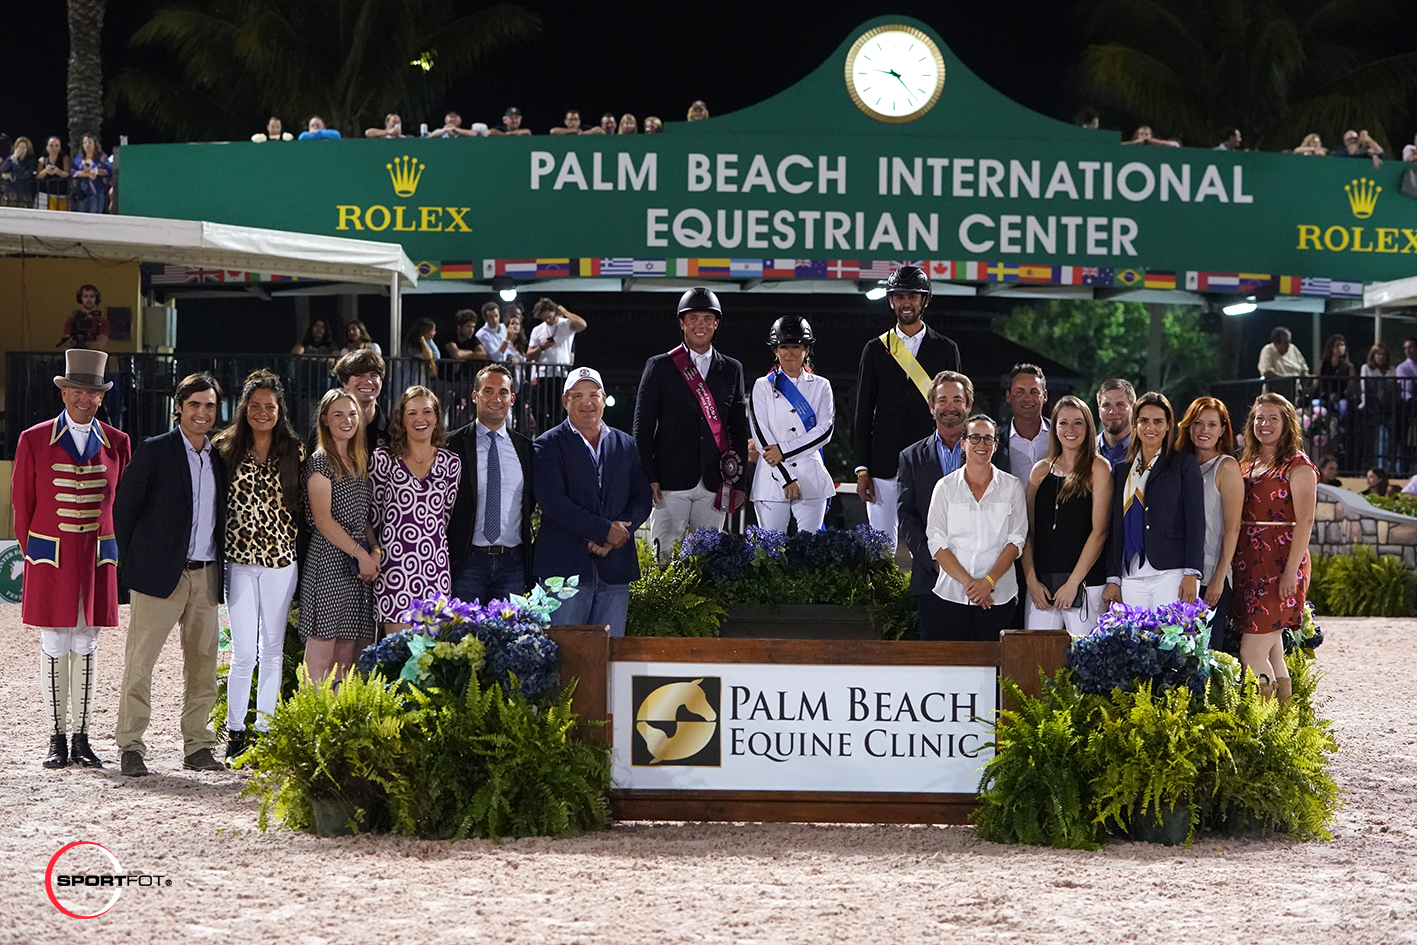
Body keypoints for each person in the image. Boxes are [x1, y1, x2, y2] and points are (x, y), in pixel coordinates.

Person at [12, 349, 131, 768]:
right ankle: (55, 738)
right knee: (55, 642)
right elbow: (22, 507)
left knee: (87, 641)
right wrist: (37, 555)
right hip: (52, 558)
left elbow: (124, 507)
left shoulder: (118, 443)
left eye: (93, 392)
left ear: (101, 398)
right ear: (65, 392)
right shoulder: (33, 438)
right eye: (77, 389)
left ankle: (81, 738)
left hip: (96, 558)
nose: (85, 398)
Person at [113, 373, 229, 777]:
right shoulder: (154, 451)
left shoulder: (220, 456)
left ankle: (198, 744)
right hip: (159, 577)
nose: (202, 412)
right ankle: (130, 745)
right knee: (139, 664)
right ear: (178, 407)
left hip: (207, 575)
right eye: (194, 404)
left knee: (203, 665)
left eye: (209, 405)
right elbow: (123, 512)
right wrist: (136, 565)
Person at [211, 370, 303, 761]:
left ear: (280, 410)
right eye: (255, 406)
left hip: (282, 562)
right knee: (243, 651)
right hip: (239, 563)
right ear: (243, 409)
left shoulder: (294, 451)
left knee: (273, 649)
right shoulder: (224, 447)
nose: (262, 412)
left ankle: (265, 731)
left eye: (270, 406)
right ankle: (236, 732)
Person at [633, 287, 749, 563]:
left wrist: (740, 482)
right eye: (694, 318)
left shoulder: (732, 368)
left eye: (707, 319)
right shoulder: (659, 366)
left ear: (716, 324)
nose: (701, 325)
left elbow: (738, 428)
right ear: (682, 323)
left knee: (707, 561)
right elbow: (642, 427)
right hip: (669, 481)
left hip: (715, 480)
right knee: (663, 558)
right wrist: (647, 475)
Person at [534, 368, 653, 635]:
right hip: (563, 571)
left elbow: (642, 497)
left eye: (593, 395)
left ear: (603, 398)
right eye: (577, 396)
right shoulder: (547, 445)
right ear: (565, 401)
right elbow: (553, 502)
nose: (587, 402)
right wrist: (604, 531)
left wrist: (620, 533)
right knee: (564, 659)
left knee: (609, 659)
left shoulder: (627, 445)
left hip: (615, 570)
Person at [853, 265, 961, 546]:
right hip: (882, 464)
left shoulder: (946, 348)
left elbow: (956, 414)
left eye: (913, 296)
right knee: (880, 549)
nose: (906, 302)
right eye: (899, 296)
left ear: (924, 300)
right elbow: (863, 412)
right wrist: (862, 469)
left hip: (930, 461)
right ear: (891, 301)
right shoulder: (874, 348)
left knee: (930, 546)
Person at [1234, 394, 1318, 700]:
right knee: (1272, 649)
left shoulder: (1298, 464)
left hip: (1281, 561)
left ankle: (1264, 721)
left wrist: (1291, 573)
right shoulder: (1247, 463)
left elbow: (1306, 520)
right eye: (1259, 418)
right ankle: (1285, 726)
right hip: (1248, 561)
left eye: (1272, 418)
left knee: (1250, 650)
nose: (1264, 424)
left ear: (1287, 424)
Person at [300, 389, 378, 684]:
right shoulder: (320, 462)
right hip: (329, 564)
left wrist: (374, 551)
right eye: (338, 415)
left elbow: (364, 517)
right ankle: (311, 724)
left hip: (358, 568)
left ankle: (337, 724)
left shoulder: (359, 461)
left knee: (347, 653)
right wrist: (361, 554)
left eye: (352, 414)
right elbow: (323, 521)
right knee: (321, 654)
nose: (347, 420)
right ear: (324, 421)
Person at [925, 415, 1027, 641]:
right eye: (975, 438)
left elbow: (1016, 540)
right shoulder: (945, 487)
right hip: (952, 593)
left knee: (992, 671)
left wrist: (988, 583)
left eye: (988, 439)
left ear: (996, 445)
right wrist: (971, 585)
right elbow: (935, 539)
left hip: (998, 596)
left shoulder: (1012, 487)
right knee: (954, 667)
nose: (982, 444)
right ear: (963, 443)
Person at [370, 386, 460, 634]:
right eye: (412, 413)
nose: (420, 419)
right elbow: (374, 514)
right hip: (393, 568)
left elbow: (445, 516)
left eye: (427, 412)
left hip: (435, 566)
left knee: (432, 657)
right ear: (401, 419)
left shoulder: (451, 463)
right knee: (397, 653)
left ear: (436, 417)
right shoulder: (383, 459)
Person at [1103, 391, 1205, 609]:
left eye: (1158, 421)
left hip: (1171, 572)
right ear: (1135, 424)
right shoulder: (1122, 470)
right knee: (1137, 641)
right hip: (1131, 574)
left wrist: (1192, 573)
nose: (1151, 427)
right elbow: (1116, 527)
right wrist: (1114, 577)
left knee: (1171, 640)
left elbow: (1196, 521)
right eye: (1144, 421)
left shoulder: (1183, 464)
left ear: (1168, 425)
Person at [1021, 396, 1113, 636]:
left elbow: (1100, 531)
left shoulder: (1098, 468)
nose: (1070, 429)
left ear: (1089, 427)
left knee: (1087, 662)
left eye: (1078, 423)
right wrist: (1031, 580)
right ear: (1054, 428)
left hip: (1085, 584)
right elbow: (1026, 531)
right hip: (1042, 585)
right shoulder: (1040, 471)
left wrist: (1072, 583)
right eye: (1063, 423)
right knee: (1037, 660)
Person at [447, 365, 535, 603]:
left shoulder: (527, 449)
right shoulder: (450, 445)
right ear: (475, 396)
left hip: (513, 566)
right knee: (462, 638)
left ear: (512, 398)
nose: (496, 398)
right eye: (488, 391)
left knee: (511, 639)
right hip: (467, 563)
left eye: (503, 392)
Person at [898, 371, 975, 639]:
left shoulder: (991, 451)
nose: (950, 406)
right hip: (931, 579)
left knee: (983, 667)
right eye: (942, 400)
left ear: (968, 405)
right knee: (938, 664)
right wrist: (936, 562)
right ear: (932, 407)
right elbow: (907, 516)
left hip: (981, 578)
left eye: (957, 399)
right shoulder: (910, 457)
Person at [747, 316, 834, 532]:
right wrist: (786, 477)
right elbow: (761, 436)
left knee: (811, 553)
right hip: (771, 478)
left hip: (811, 478)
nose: (789, 352)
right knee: (770, 554)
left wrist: (783, 451)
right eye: (783, 346)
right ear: (775, 351)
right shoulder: (761, 386)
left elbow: (825, 431)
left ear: (806, 349)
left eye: (796, 346)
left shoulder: (822, 386)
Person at [1177, 397, 1244, 650]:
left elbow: (1233, 527)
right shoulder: (1179, 465)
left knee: (1207, 650)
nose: (1204, 430)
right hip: (1178, 573)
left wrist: (1218, 578)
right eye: (1198, 423)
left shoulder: (1225, 467)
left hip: (1211, 573)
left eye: (1212, 425)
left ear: (1222, 430)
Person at [994, 364, 1049, 477]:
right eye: (1020, 392)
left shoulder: (1061, 434)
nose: (1027, 398)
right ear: (1008, 396)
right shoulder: (996, 440)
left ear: (1045, 396)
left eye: (1034, 392)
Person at [327, 349, 387, 454]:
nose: (368, 381)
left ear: (381, 383)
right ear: (345, 383)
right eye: (359, 375)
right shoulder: (327, 430)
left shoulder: (393, 431)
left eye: (373, 375)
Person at [527, 297, 587, 363]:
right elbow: (529, 355)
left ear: (555, 311)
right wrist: (541, 347)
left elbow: (583, 325)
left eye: (549, 317)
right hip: (542, 371)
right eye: (544, 319)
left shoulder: (566, 324)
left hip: (561, 371)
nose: (547, 320)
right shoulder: (537, 330)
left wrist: (564, 312)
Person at [1096, 378, 1136, 468]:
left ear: (1133, 409)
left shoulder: (1147, 450)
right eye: (1106, 405)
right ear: (1099, 411)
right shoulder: (1084, 451)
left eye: (1120, 404)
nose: (1112, 411)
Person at [62, 284, 111, 350]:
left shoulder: (102, 321)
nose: (89, 299)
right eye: (85, 296)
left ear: (96, 298)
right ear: (80, 298)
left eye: (92, 296)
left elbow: (99, 345)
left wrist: (79, 343)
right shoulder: (72, 320)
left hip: (94, 358)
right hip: (76, 357)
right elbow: (67, 345)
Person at [70, 135, 110, 213]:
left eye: (90, 142)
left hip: (97, 193)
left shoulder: (102, 158)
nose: (87, 145)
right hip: (82, 193)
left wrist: (97, 171)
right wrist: (85, 173)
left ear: (95, 144)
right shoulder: (79, 159)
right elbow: (72, 172)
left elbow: (108, 170)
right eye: (85, 143)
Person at [400, 318, 440, 390]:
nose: (435, 333)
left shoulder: (429, 342)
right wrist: (422, 339)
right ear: (426, 331)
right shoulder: (411, 345)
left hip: (424, 379)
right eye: (433, 331)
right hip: (412, 379)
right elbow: (428, 356)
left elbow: (437, 355)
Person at [0, 135, 36, 207]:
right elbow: (3, 169)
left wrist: (11, 175)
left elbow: (25, 175)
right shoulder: (11, 158)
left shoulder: (30, 161)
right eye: (19, 147)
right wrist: (13, 157)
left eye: (23, 148)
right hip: (9, 192)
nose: (20, 150)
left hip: (23, 193)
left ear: (27, 149)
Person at [35, 136, 70, 210]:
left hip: (61, 194)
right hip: (45, 194)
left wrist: (57, 171)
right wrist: (46, 170)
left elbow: (67, 174)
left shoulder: (65, 159)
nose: (54, 148)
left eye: (57, 145)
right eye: (51, 145)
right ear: (47, 147)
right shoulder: (42, 160)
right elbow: (38, 176)